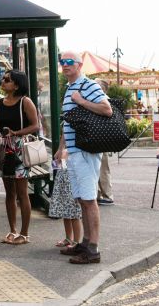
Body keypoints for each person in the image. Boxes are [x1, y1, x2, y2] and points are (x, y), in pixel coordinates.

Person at [57, 50, 112, 265]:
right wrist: (62, 145)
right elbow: (67, 121)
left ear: (79, 65)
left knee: (89, 200)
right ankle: (85, 242)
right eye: (62, 62)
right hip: (74, 150)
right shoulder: (70, 87)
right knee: (81, 199)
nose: (65, 65)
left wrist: (81, 101)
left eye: (69, 62)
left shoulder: (88, 86)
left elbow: (106, 109)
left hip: (86, 150)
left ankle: (94, 249)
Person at [0, 69, 39, 246]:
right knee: (9, 192)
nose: (3, 82)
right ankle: (12, 230)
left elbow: (35, 125)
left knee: (22, 192)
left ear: (17, 85)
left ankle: (24, 233)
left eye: (7, 80)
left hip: (20, 148)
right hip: (5, 148)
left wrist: (16, 133)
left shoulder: (25, 102)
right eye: (3, 78)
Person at [48, 148, 84, 252]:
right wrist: (59, 155)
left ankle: (76, 241)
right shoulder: (63, 151)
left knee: (74, 214)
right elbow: (56, 165)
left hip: (72, 186)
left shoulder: (77, 152)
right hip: (62, 184)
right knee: (65, 212)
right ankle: (69, 238)